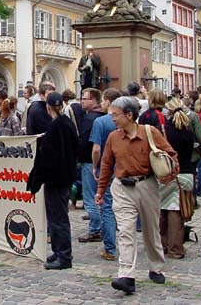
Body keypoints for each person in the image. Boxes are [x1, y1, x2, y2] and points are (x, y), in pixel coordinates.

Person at [95, 96, 178, 294]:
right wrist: (100, 190)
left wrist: (170, 175)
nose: (112, 118)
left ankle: (156, 266)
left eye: (115, 115)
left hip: (147, 185)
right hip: (122, 188)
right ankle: (126, 275)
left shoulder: (150, 132)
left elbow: (171, 154)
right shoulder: (113, 138)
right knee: (125, 231)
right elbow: (106, 164)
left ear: (129, 115)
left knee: (151, 229)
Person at [27, 92, 79, 270]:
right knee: (57, 217)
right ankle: (58, 251)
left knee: (58, 218)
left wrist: (38, 178)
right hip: (63, 177)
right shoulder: (66, 123)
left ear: (48, 107)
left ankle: (64, 256)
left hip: (56, 179)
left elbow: (49, 157)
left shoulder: (58, 126)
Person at [90, 88, 122, 261]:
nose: (101, 104)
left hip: (107, 168)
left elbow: (96, 149)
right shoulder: (125, 120)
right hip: (123, 168)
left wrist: (95, 167)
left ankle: (110, 248)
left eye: (103, 101)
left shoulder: (100, 122)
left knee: (107, 207)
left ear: (109, 101)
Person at [161, 97, 195, 260]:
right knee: (177, 211)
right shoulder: (187, 130)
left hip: (168, 172)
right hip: (187, 172)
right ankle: (176, 247)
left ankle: (164, 245)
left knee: (163, 209)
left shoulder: (165, 130)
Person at [77, 88, 105, 244]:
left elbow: (87, 144)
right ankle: (102, 227)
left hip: (90, 161)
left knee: (90, 197)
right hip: (104, 163)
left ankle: (95, 229)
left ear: (94, 100)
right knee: (103, 197)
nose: (82, 100)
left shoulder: (90, 119)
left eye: (85, 98)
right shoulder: (105, 117)